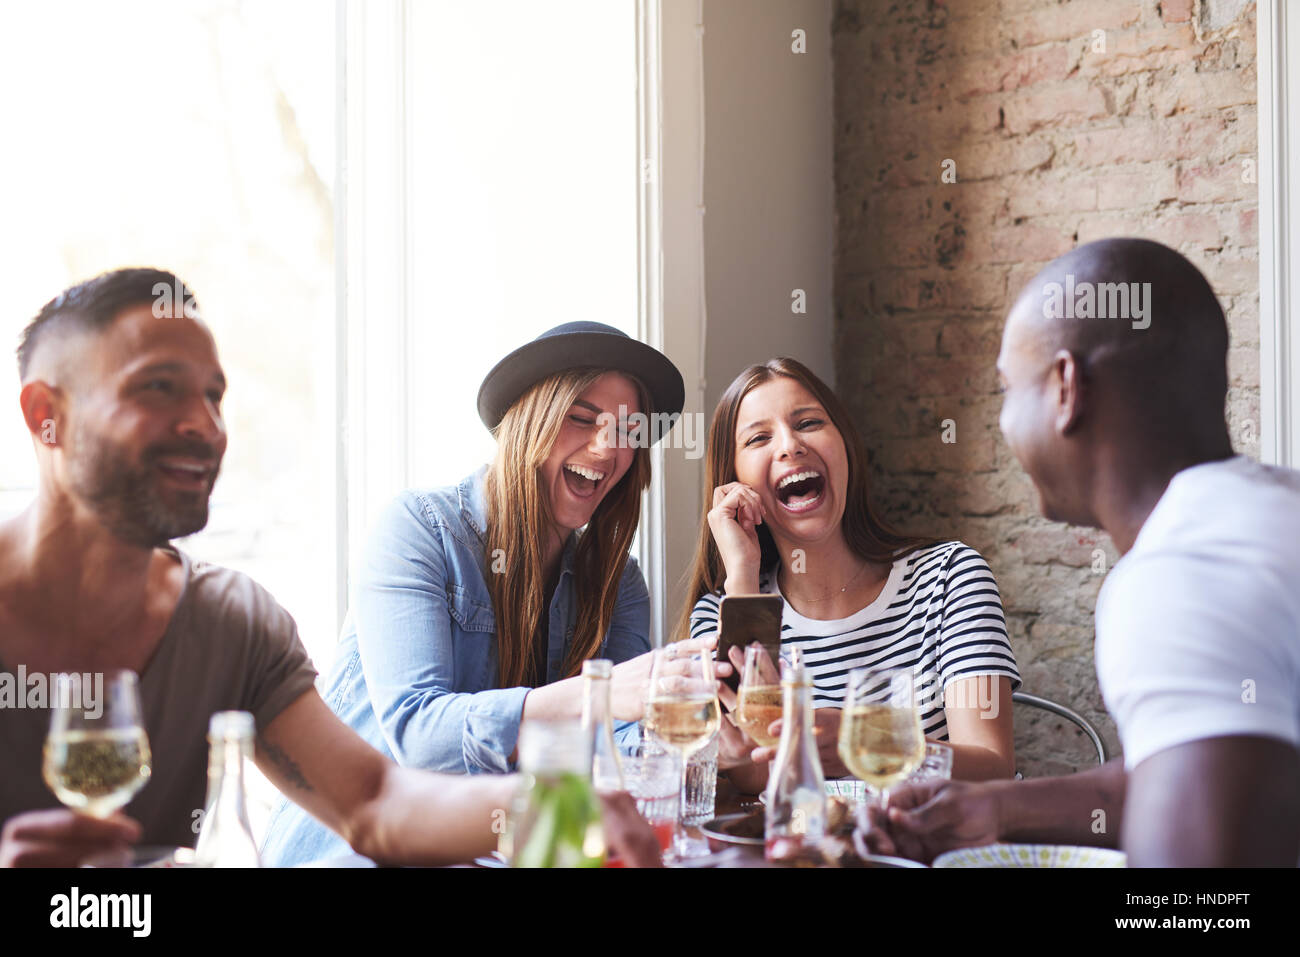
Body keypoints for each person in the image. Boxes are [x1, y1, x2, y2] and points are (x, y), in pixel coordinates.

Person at [0, 270, 662, 868]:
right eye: (158, 387)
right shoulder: (422, 528)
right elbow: (416, 741)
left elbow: (374, 801)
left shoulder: (233, 621)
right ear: (45, 415)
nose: (205, 424)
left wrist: (549, 807)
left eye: (215, 395)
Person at [866, 238, 1300, 867]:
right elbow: (1190, 777)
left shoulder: (1180, 576)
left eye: (1008, 390)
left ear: (1066, 387)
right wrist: (988, 811)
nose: (1004, 423)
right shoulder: (1262, 511)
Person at [261, 320, 703, 866]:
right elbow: (418, 736)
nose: (607, 447)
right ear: (527, 424)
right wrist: (601, 694)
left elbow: (620, 750)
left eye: (627, 430)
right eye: (582, 418)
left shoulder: (617, 580)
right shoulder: (419, 529)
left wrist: (701, 746)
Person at [679, 358, 1019, 795]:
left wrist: (855, 742)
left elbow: (992, 766)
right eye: (759, 438)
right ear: (736, 481)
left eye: (808, 422)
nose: (789, 446)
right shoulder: (725, 609)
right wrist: (742, 575)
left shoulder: (950, 577)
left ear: (845, 446)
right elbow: (752, 770)